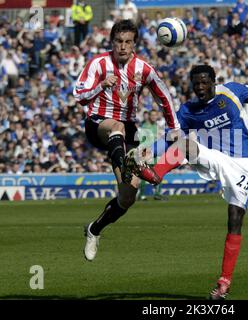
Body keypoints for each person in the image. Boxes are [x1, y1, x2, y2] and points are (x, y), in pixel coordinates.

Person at [128, 65, 248, 300]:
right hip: (217, 158)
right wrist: (150, 151)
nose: (200, 87)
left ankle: (224, 282)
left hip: (246, 162)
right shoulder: (188, 111)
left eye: (205, 82)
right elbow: (170, 138)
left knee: (235, 219)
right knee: (186, 144)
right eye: (196, 83)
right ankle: (154, 175)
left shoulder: (231, 92)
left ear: (214, 82)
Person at [73, 20, 180, 262]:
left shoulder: (144, 69)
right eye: (118, 42)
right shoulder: (98, 64)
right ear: (111, 42)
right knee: (117, 127)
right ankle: (130, 163)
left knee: (127, 197)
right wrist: (101, 86)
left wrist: (174, 128)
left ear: (134, 45)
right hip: (99, 123)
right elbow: (79, 95)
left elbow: (164, 96)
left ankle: (94, 230)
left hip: (127, 130)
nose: (123, 46)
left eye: (128, 42)